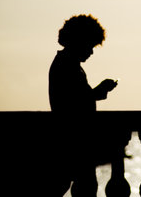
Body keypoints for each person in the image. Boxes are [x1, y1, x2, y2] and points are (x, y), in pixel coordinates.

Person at [48, 14, 118, 197]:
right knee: (83, 188)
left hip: (73, 140)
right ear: (79, 41)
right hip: (73, 140)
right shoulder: (66, 66)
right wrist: (97, 92)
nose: (91, 52)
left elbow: (75, 98)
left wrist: (95, 93)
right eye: (90, 45)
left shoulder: (66, 64)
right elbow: (72, 103)